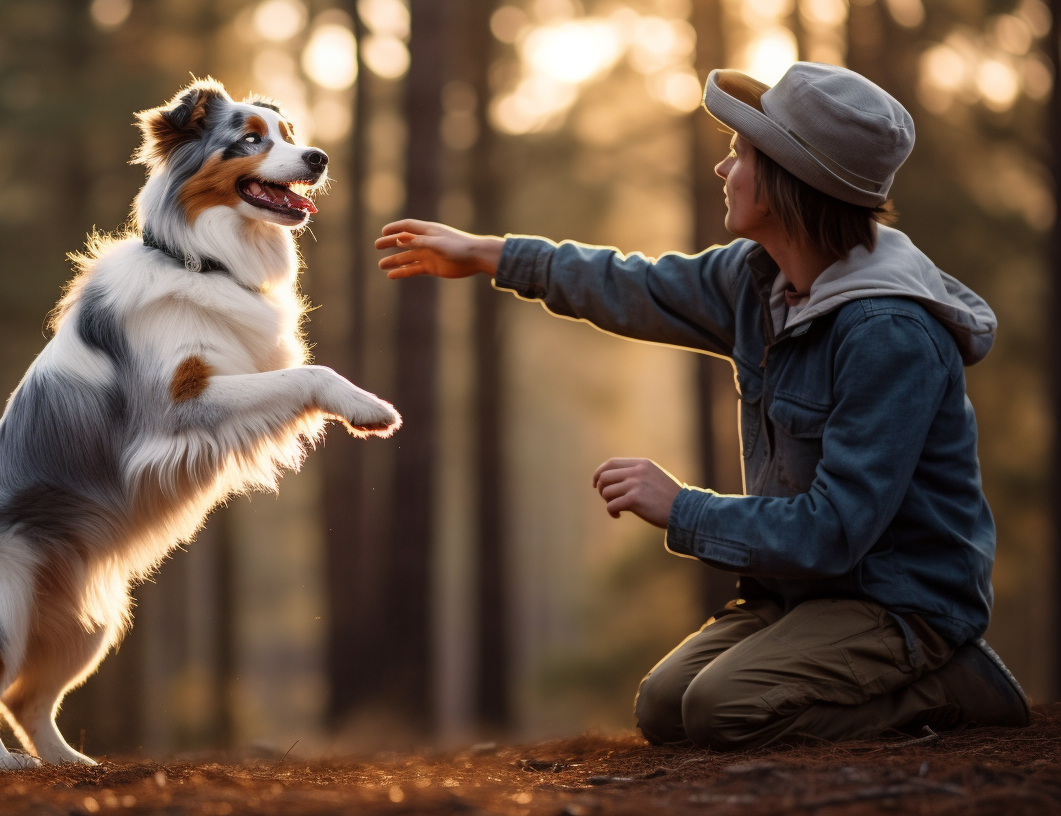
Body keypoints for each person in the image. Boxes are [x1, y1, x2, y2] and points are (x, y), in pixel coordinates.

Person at [375, 62, 1030, 750]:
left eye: (740, 155)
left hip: (903, 604)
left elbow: (835, 529)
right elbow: (636, 285)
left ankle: (947, 687)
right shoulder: (759, 279)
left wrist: (681, 505)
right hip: (802, 595)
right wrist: (487, 254)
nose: (725, 170)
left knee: (725, 709)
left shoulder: (888, 335)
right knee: (665, 707)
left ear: (785, 182)